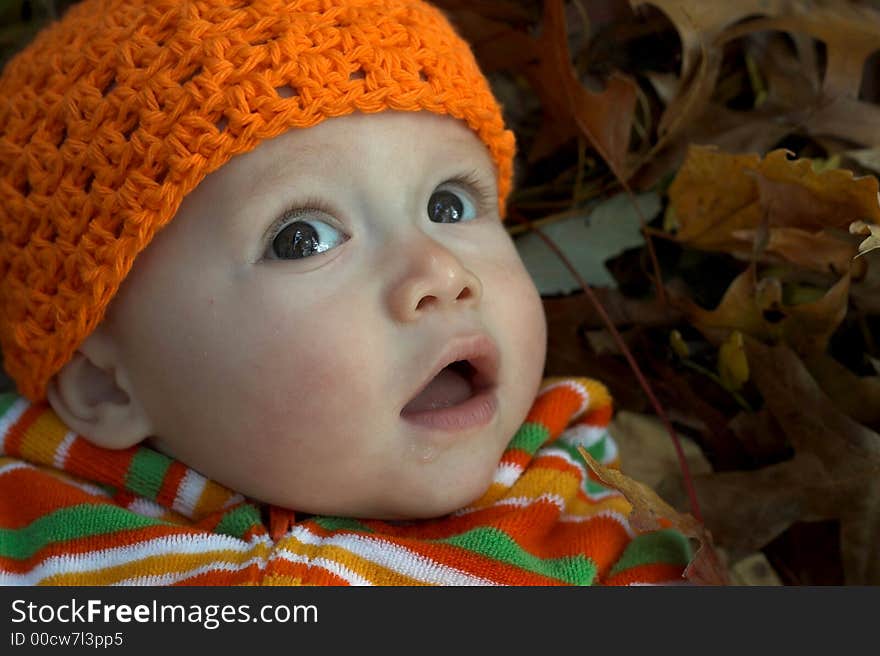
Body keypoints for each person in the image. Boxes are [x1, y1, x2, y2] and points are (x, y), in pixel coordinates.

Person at [0, 0, 691, 585]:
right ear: (106, 388)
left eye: (449, 206)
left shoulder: (592, 529)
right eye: (303, 239)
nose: (440, 273)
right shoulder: (32, 526)